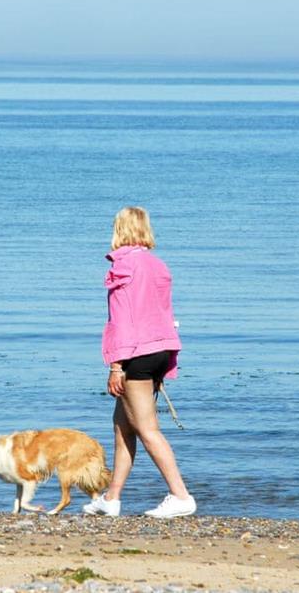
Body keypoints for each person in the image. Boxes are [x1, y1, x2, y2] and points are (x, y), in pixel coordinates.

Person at [83, 206, 196, 518]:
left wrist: (116, 365)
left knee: (147, 429)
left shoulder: (123, 266)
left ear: (119, 229)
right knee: (123, 427)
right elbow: (163, 312)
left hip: (137, 354)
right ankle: (111, 498)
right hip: (161, 349)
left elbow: (121, 320)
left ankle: (180, 495)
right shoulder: (158, 265)